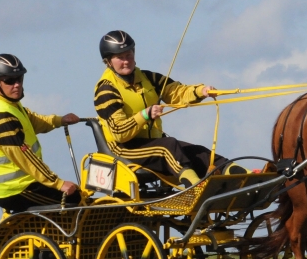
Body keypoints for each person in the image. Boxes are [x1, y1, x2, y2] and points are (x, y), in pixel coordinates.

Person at [93, 30, 245, 187]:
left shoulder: (148, 78)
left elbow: (176, 92)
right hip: (123, 148)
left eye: (129, 55)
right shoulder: (105, 90)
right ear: (108, 61)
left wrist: (201, 91)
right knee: (169, 147)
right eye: (120, 57)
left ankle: (245, 176)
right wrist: (145, 115)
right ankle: (194, 186)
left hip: (152, 142)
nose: (126, 61)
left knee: (198, 152)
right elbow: (119, 133)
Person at [0, 54, 82, 212]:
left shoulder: (7, 104)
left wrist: (60, 120)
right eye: (10, 80)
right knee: (73, 199)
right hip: (14, 189)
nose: (17, 84)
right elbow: (24, 156)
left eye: (19, 78)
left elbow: (31, 121)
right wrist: (58, 183)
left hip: (24, 183)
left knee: (76, 194)